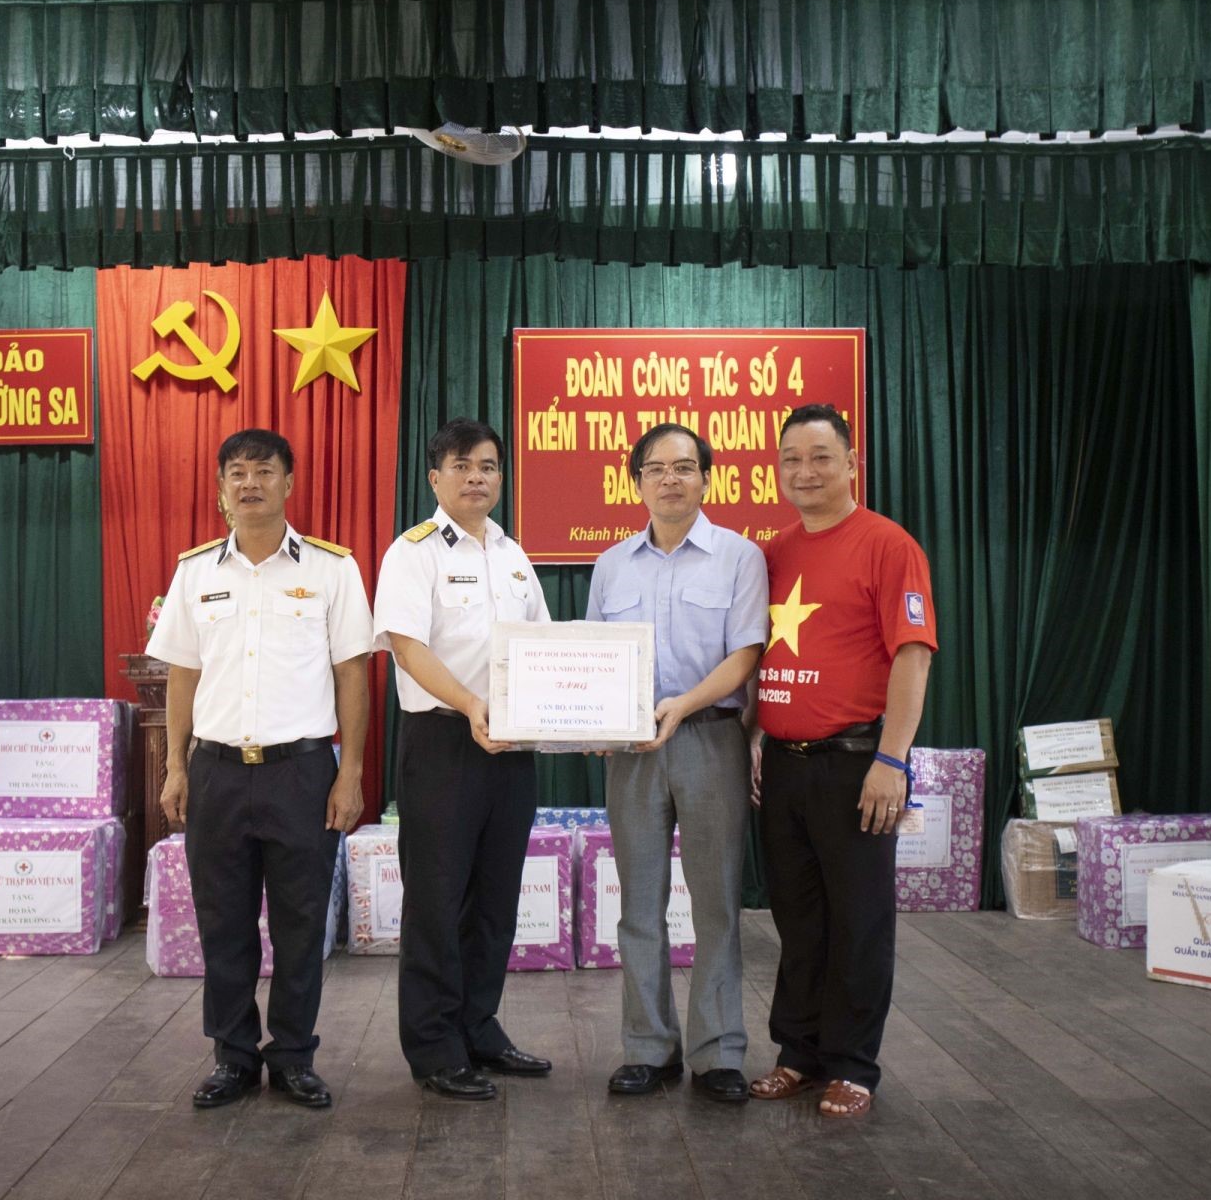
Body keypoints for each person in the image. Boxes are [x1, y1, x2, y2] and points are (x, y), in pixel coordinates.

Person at [147, 428, 372, 1111]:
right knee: (224, 922)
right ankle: (234, 1056)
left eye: (264, 471)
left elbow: (352, 675)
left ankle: (295, 1056)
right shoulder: (196, 573)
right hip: (214, 770)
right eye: (237, 473)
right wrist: (175, 766)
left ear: (288, 484)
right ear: (221, 490)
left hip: (302, 772)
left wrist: (351, 771)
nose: (250, 483)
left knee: (303, 924)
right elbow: (181, 676)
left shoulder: (331, 570)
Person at [748, 403, 935, 1120]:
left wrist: (894, 758)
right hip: (785, 769)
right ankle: (798, 1055)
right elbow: (763, 655)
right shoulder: (775, 551)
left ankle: (853, 1066)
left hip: (858, 765)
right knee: (797, 920)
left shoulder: (889, 546)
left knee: (859, 921)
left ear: (852, 462)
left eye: (821, 456)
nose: (805, 471)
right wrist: (760, 738)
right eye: (791, 457)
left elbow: (913, 656)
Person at [371, 417, 552, 1101]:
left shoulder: (513, 554)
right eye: (462, 465)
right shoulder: (412, 553)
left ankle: (480, 1026)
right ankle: (434, 1045)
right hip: (444, 742)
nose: (477, 477)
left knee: (495, 901)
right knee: (437, 903)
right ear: (434, 477)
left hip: (510, 749)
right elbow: (407, 647)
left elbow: (543, 648)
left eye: (489, 466)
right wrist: (473, 705)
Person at [586, 424, 768, 1103]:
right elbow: (597, 661)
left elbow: (745, 654)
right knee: (639, 905)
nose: (671, 479)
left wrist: (681, 706)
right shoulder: (611, 565)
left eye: (685, 467)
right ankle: (648, 1048)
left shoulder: (739, 557)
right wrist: (602, 716)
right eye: (656, 468)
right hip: (632, 750)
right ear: (635, 481)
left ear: (706, 479)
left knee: (718, 903)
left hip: (709, 740)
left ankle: (718, 1052)